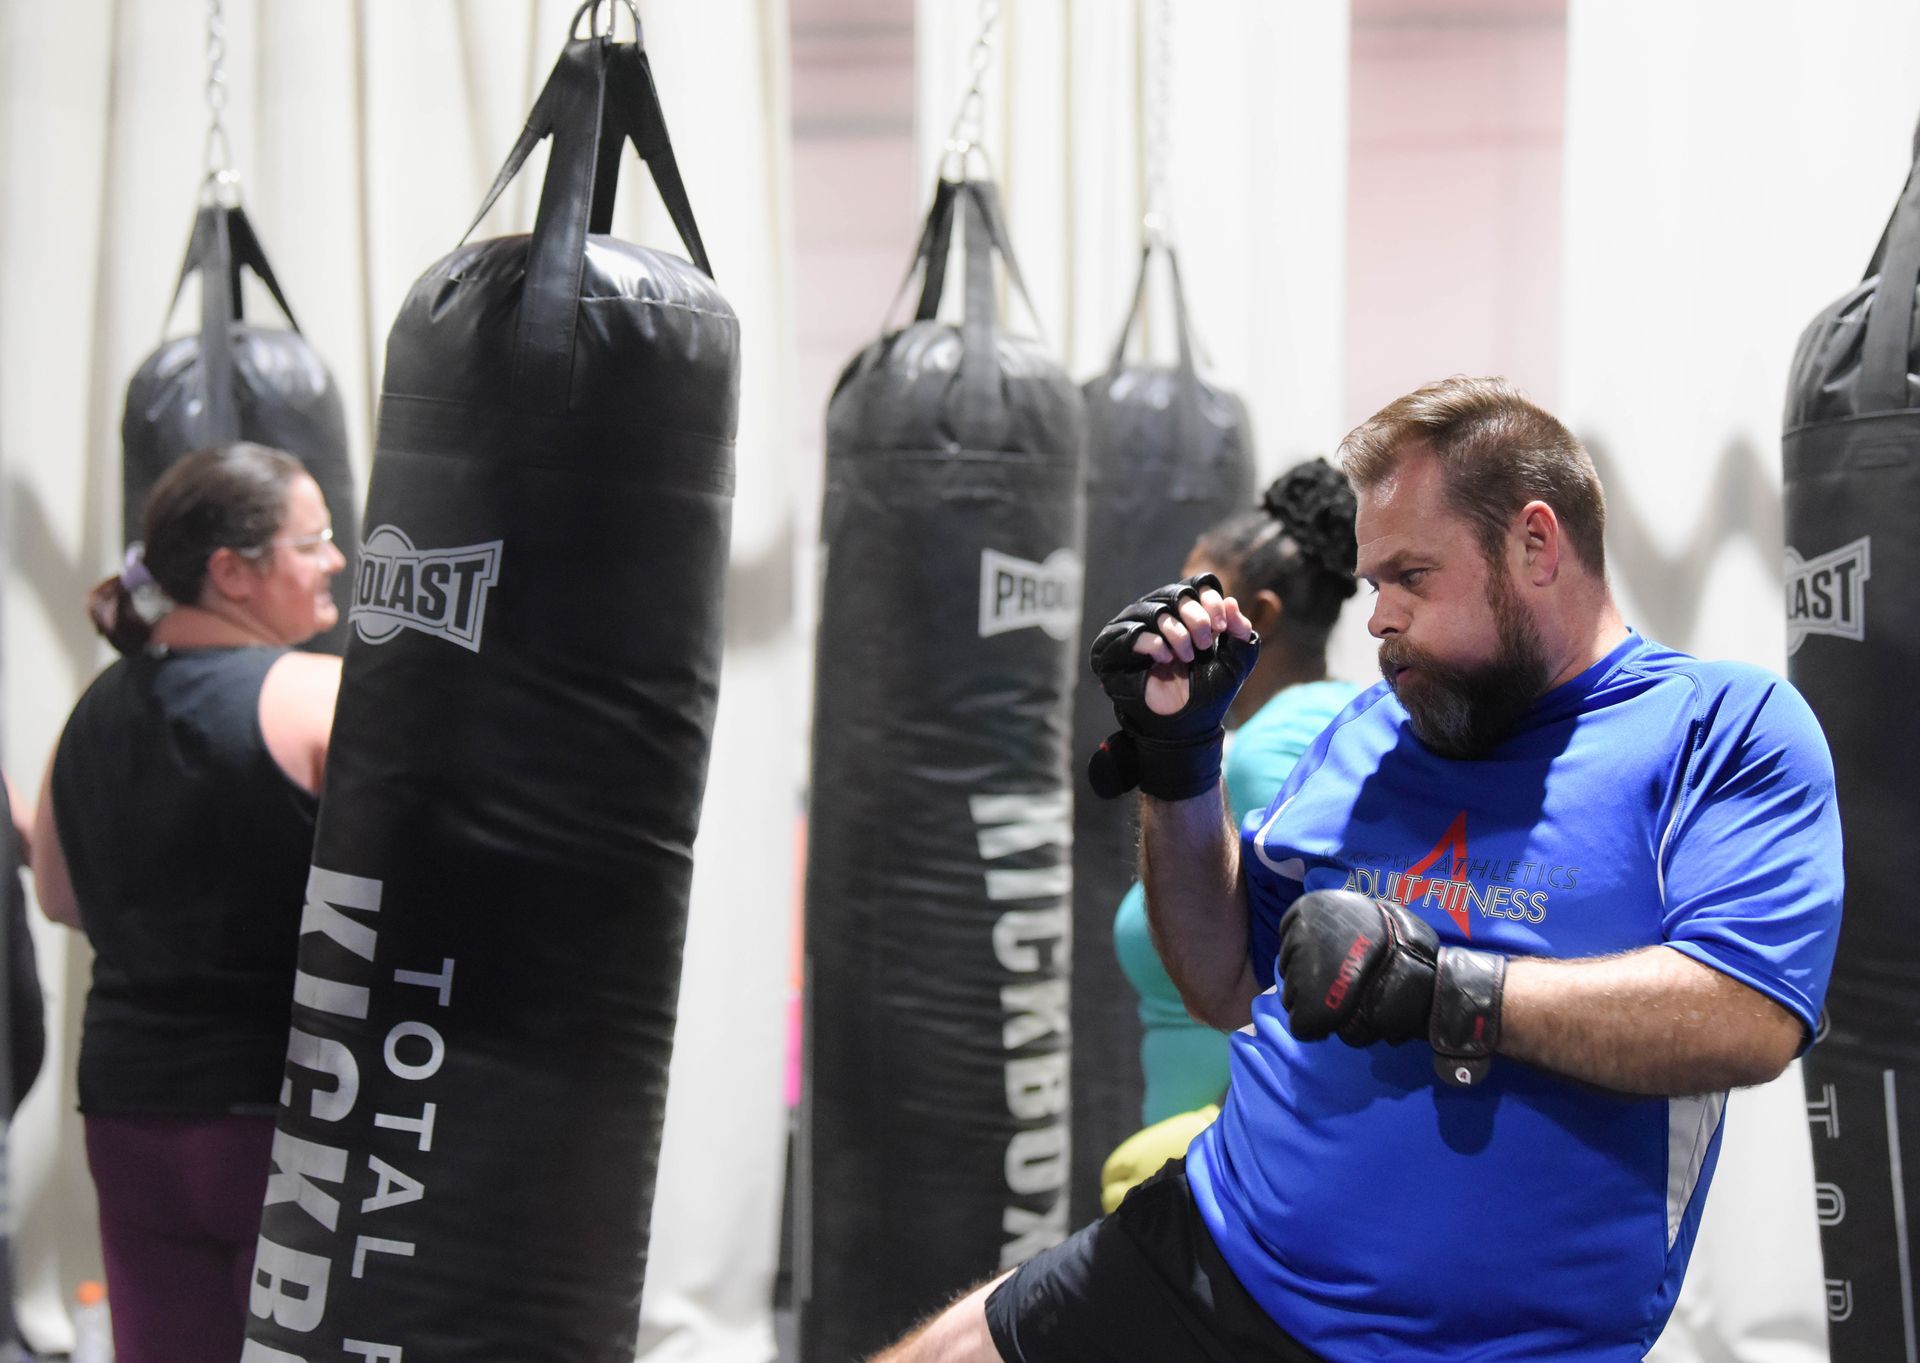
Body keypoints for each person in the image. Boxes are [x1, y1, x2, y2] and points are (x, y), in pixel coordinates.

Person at [873, 376, 1843, 1362]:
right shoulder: (1367, 729)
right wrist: (1179, 765)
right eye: (1375, 583)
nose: (1379, 618)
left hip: (1470, 1343)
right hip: (1214, 1245)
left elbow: (1748, 1012)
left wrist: (1451, 989)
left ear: (1537, 545)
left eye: (1413, 577)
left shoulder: (1721, 728)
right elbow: (1219, 979)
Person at [32, 443, 347, 1363]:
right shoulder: (318, 697)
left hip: (130, 1112)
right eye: (314, 538)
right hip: (277, 1114)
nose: (334, 557)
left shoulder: (89, 709)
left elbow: (60, 894)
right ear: (232, 572)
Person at [1102, 460, 1359, 1210]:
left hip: (1223, 1174)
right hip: (1208, 1165)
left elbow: (1302, 974)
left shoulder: (1277, 742)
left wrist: (1224, 1132)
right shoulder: (1308, 724)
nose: (1170, 612)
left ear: (1263, 615)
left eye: (1194, 594)